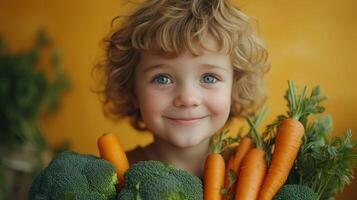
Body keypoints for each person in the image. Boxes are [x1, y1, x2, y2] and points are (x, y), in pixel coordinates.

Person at [96, 0, 269, 178]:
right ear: (132, 90)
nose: (187, 98)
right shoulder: (113, 176)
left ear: (235, 86)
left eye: (209, 78)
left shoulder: (254, 170)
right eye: (162, 79)